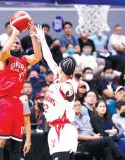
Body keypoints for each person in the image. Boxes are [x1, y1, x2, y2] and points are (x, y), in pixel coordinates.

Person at [0, 20, 41, 160]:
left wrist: (32, 34)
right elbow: (4, 50)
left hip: (16, 103)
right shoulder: (5, 59)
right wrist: (15, 32)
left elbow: (38, 56)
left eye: (18, 43)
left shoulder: (24, 61)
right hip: (2, 101)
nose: (16, 44)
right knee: (0, 140)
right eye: (13, 42)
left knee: (17, 141)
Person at [36, 25, 78, 160]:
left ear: (61, 69)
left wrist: (70, 93)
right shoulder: (58, 78)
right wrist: (42, 40)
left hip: (63, 129)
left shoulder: (67, 85)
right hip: (57, 128)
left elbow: (69, 92)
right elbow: (48, 58)